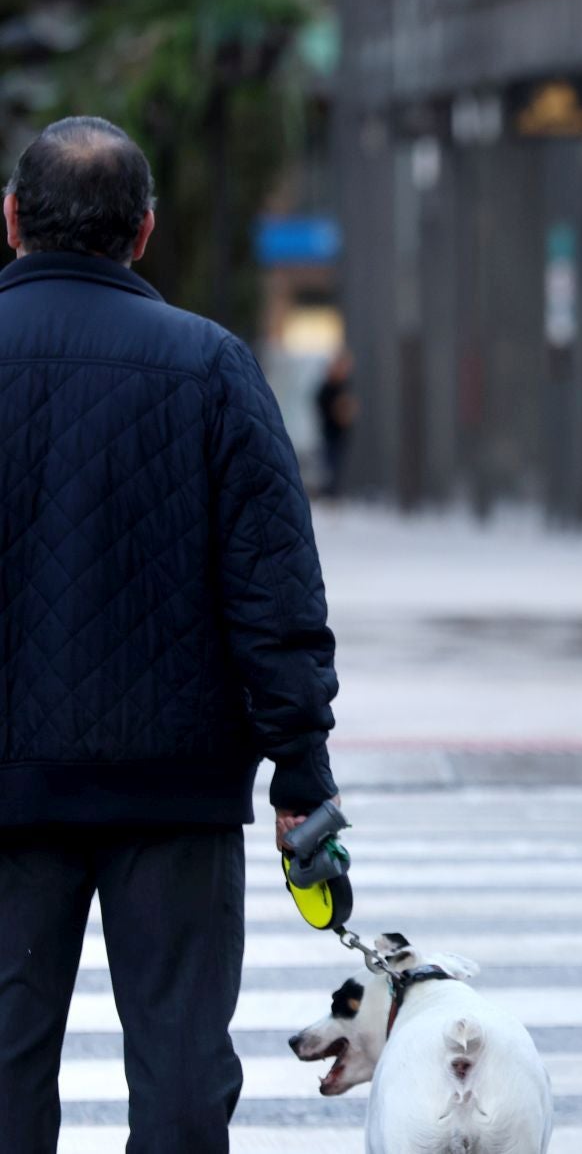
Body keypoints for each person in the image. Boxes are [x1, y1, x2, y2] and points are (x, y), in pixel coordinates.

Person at [0, 117, 341, 1154]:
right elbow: (274, 592)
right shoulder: (210, 367)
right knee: (184, 1065)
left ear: (12, 220)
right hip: (176, 785)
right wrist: (302, 771)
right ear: (143, 232)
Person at [315, 346, 358, 499]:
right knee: (329, 465)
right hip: (330, 432)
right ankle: (329, 493)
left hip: (341, 432)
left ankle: (334, 492)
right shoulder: (329, 386)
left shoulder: (344, 384)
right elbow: (321, 403)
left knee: (337, 464)